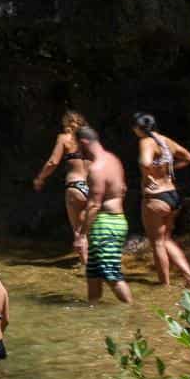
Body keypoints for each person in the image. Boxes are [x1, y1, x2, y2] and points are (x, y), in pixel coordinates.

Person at [133, 113, 190, 288]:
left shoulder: (145, 142)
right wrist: (171, 170)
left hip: (156, 198)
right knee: (166, 240)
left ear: (138, 128)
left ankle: (165, 285)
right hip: (172, 195)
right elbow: (188, 157)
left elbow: (146, 162)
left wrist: (148, 176)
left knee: (157, 242)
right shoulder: (166, 141)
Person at [74, 126, 133, 304]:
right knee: (93, 273)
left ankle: (131, 313)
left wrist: (81, 235)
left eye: (78, 146)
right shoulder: (113, 159)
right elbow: (123, 188)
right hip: (114, 220)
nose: (77, 151)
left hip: (107, 223)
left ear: (84, 143)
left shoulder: (96, 169)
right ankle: (93, 311)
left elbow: (93, 205)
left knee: (110, 273)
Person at [31, 110, 91, 262]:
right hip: (92, 187)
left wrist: (40, 178)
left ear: (66, 124)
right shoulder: (89, 140)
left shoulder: (65, 138)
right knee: (90, 230)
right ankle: (95, 265)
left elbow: (53, 162)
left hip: (75, 186)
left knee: (79, 232)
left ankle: (86, 269)